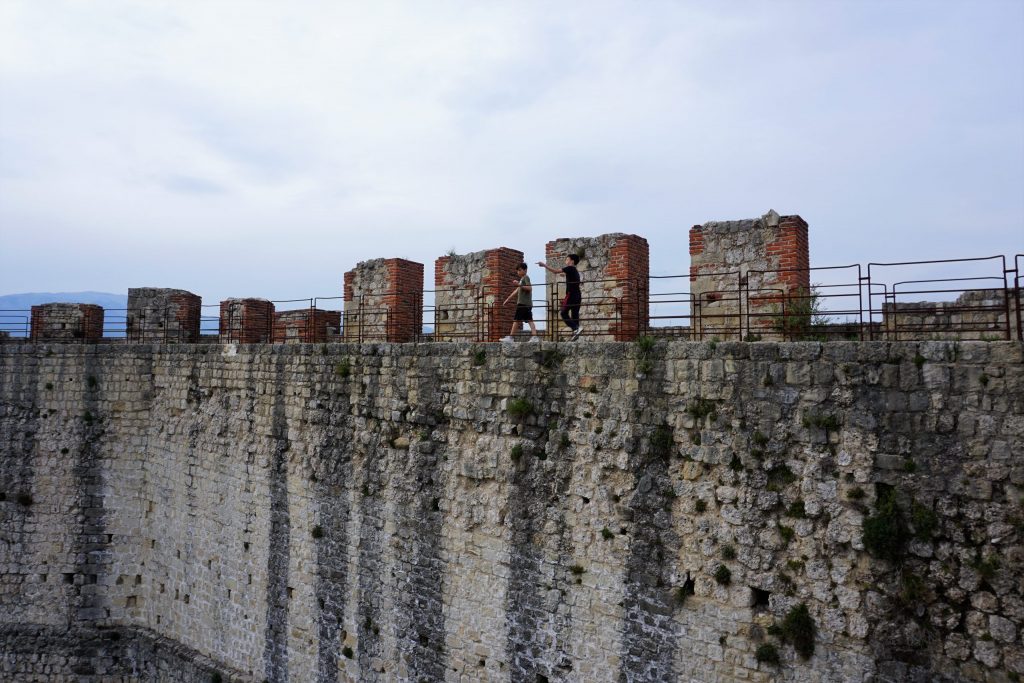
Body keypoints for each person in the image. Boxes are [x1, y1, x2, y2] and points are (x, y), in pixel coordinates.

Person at [537, 254, 582, 340]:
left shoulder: (569, 268)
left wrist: (544, 265)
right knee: (574, 315)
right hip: (578, 295)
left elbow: (555, 271)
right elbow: (570, 278)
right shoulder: (574, 270)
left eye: (567, 259)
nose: (566, 261)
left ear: (572, 261)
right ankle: (576, 333)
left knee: (563, 313)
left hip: (571, 294)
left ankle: (576, 328)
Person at [501, 263, 540, 342]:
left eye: (519, 270)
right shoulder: (522, 279)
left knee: (516, 320)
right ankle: (535, 337)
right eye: (517, 271)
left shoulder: (526, 277)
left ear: (525, 270)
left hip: (523, 303)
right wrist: (508, 299)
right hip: (526, 304)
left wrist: (519, 284)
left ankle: (511, 338)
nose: (518, 272)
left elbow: (530, 288)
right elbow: (517, 290)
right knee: (530, 320)